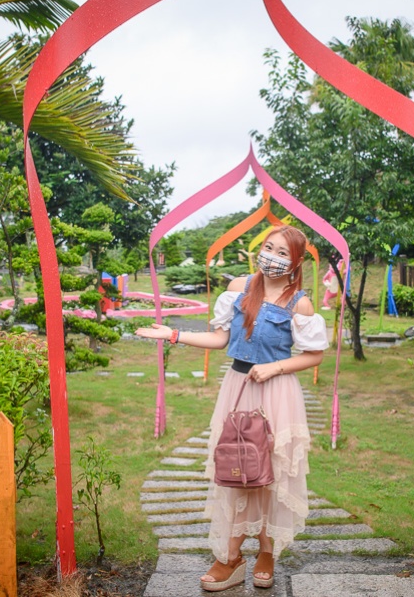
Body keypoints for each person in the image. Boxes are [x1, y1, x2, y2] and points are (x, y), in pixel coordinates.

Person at [136, 225, 328, 591]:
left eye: (282, 253)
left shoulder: (299, 303)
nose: (272, 256)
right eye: (268, 248)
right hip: (238, 387)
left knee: (271, 472)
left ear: (296, 262)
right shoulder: (240, 289)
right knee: (235, 466)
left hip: (277, 391)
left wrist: (275, 366)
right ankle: (230, 557)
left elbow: (314, 355)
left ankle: (267, 553)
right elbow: (221, 338)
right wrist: (174, 335)